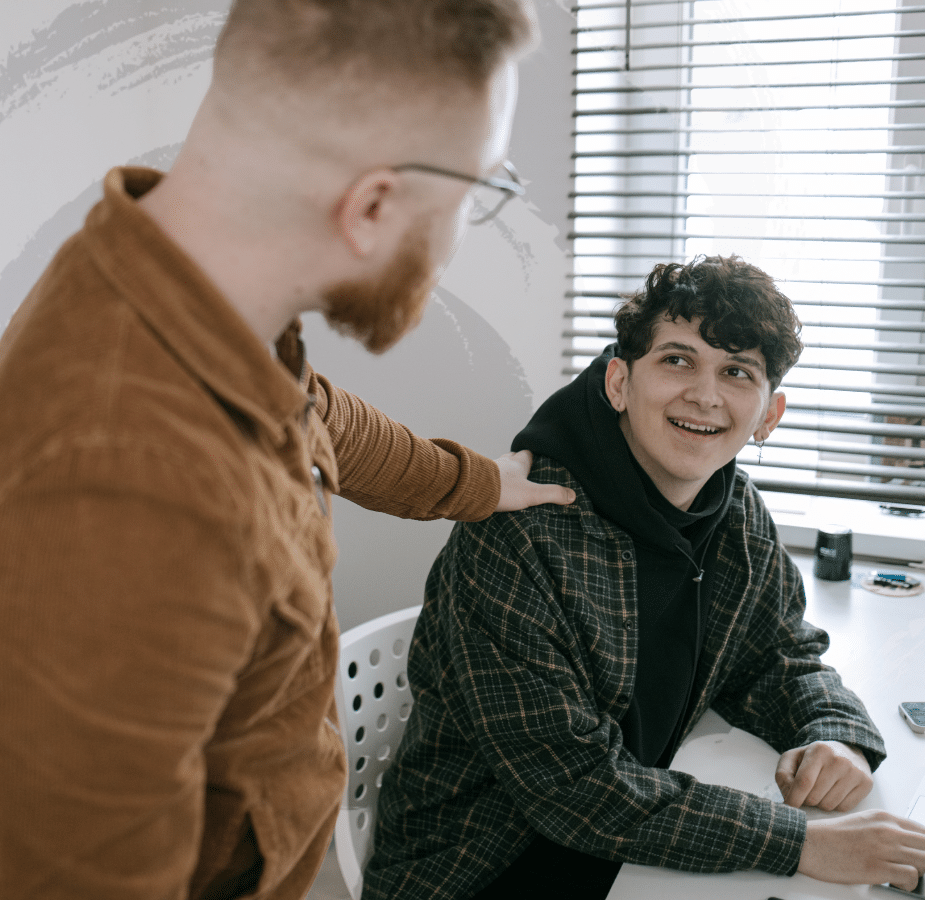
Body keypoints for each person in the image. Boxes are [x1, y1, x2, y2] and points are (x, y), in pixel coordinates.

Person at [0, 1, 569, 898]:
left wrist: (481, 483)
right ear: (372, 204)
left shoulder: (187, 286)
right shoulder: (116, 489)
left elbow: (320, 418)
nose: (460, 238)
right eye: (475, 197)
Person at [363, 255, 925, 900]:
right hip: (488, 866)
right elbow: (572, 787)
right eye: (678, 360)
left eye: (737, 372)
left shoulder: (735, 511)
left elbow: (777, 654)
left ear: (769, 415)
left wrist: (835, 735)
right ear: (619, 383)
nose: (706, 395)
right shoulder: (519, 532)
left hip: (628, 836)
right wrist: (799, 845)